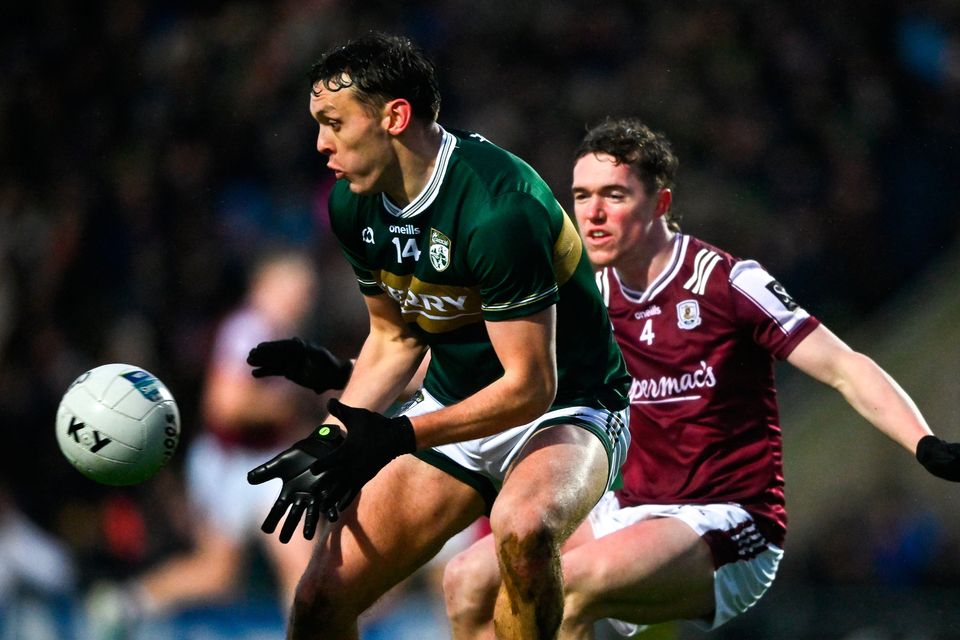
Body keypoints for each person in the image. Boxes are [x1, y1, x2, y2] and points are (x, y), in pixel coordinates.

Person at [440, 118, 960, 639]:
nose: (592, 214)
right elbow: (494, 364)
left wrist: (924, 442)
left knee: (566, 586)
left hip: (729, 523)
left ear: (659, 204)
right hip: (627, 510)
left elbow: (844, 367)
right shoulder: (591, 298)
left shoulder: (727, 283)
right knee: (466, 581)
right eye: (581, 196)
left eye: (614, 195)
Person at [243, 32, 632, 640]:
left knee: (524, 529)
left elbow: (530, 386)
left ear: (395, 117)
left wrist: (398, 435)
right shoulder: (354, 206)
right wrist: (333, 435)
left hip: (569, 408)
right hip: (456, 402)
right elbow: (394, 339)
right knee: (320, 598)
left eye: (333, 123)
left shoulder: (499, 209)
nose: (320, 143)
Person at [86, 249, 324, 637]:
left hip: (262, 459)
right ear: (264, 285)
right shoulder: (249, 330)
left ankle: (126, 603)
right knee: (222, 573)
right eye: (295, 286)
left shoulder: (282, 334)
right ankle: (128, 603)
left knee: (293, 564)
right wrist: (287, 406)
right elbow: (224, 406)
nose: (304, 297)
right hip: (232, 462)